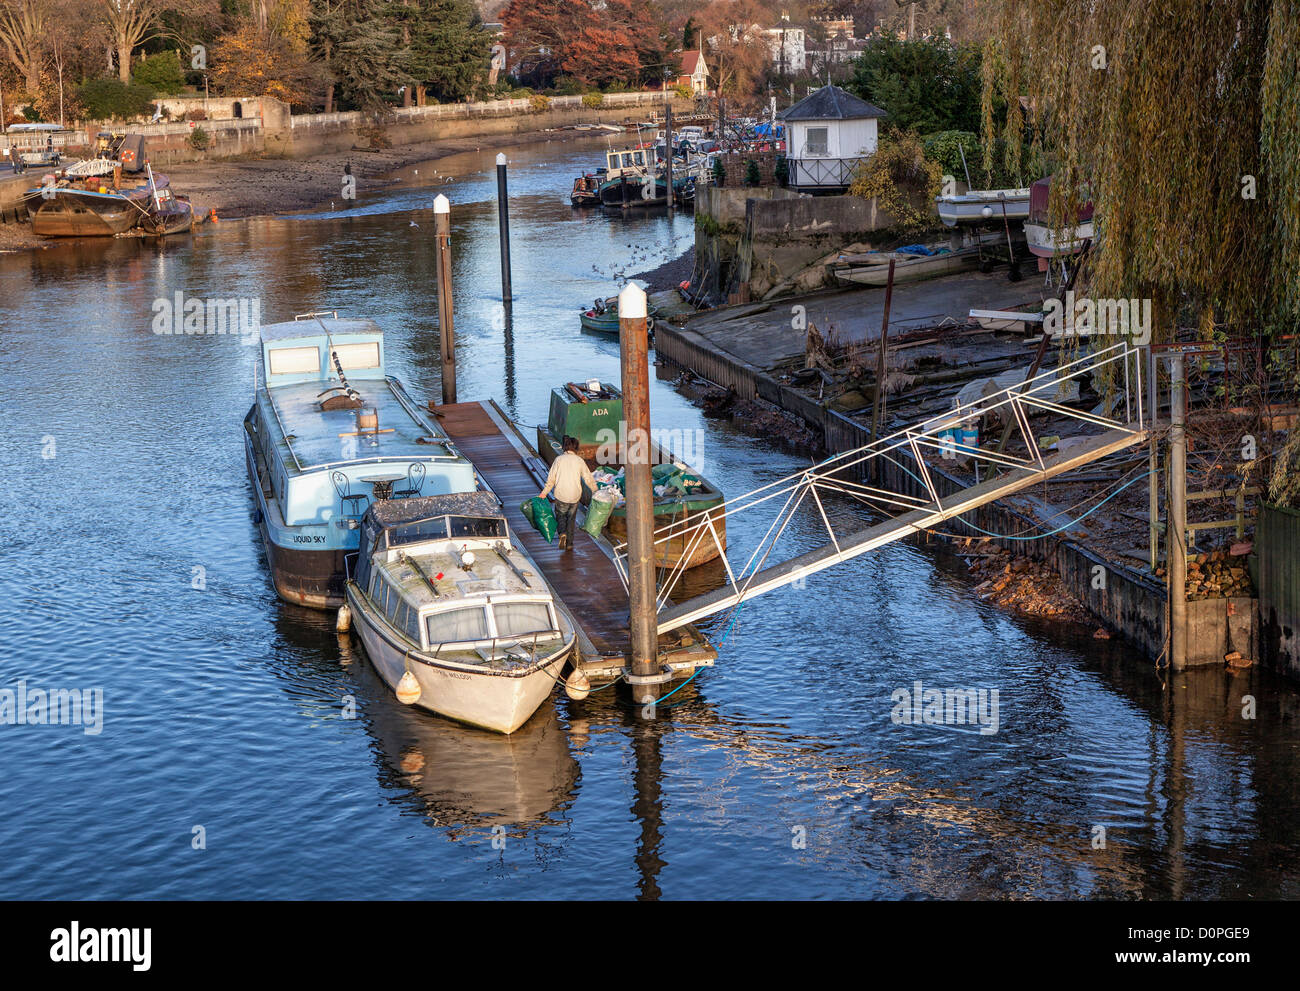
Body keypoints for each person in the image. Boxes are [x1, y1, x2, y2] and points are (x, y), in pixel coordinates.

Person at [538, 435, 597, 551]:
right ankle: (569, 544)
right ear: (576, 448)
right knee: (571, 519)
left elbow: (551, 480)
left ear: (565, 447)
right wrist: (595, 491)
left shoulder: (558, 460)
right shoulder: (579, 461)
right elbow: (588, 478)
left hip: (561, 494)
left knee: (560, 516)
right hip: (575, 496)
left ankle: (562, 534)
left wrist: (544, 493)